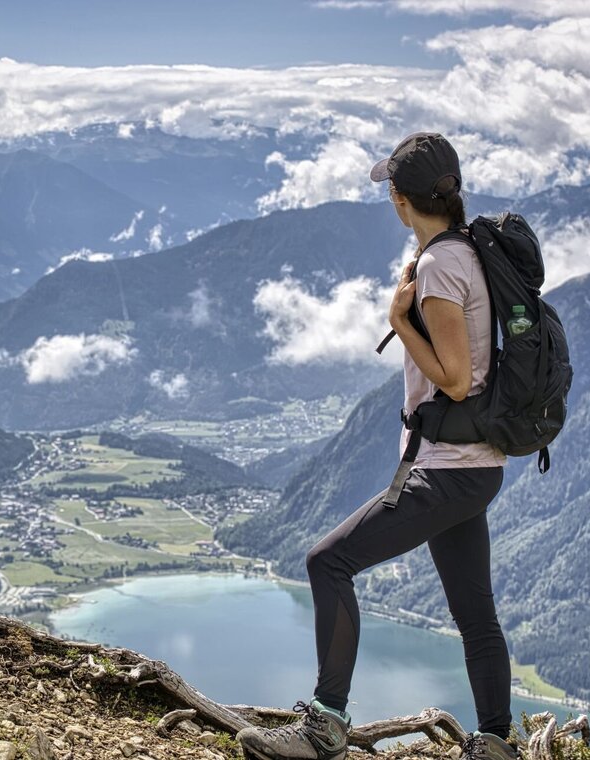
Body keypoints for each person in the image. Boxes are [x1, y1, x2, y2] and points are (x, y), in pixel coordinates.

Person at [236, 133, 518, 760]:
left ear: (399, 198)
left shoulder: (444, 265)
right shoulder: (466, 250)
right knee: (475, 613)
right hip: (475, 466)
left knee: (326, 562)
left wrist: (397, 322)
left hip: (446, 470)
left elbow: (452, 375)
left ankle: (324, 728)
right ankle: (497, 742)